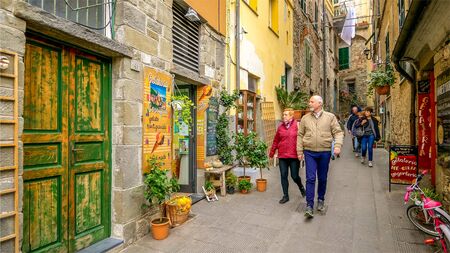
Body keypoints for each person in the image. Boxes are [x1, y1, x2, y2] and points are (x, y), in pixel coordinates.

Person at [297, 96, 344, 218]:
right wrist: (299, 151)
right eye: (310, 101)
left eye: (312, 101)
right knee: (310, 178)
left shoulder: (330, 117)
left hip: (325, 152)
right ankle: (309, 205)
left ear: (320, 103)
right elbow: (300, 135)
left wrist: (337, 145)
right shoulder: (305, 118)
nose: (309, 103)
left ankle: (321, 199)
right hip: (309, 152)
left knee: (322, 178)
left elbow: (338, 132)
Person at [269, 108, 306, 204]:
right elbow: (276, 141)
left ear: (291, 116)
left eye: (286, 114)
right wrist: (272, 153)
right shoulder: (280, 127)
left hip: (294, 156)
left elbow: (302, 140)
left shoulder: (297, 125)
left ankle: (301, 187)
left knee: (294, 176)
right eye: (283, 114)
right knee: (283, 175)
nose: (283, 116)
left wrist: (302, 153)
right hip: (282, 156)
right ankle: (286, 196)